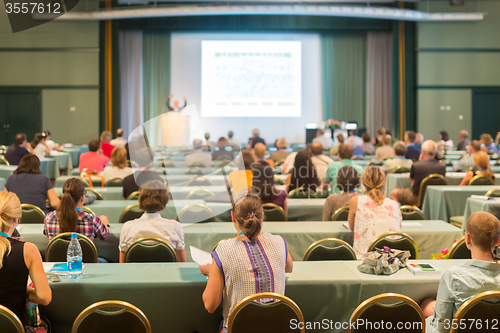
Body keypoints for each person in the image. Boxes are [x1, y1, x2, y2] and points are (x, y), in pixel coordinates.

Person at [199, 193, 293, 333]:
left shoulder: (224, 250)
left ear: (233, 217)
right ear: (262, 216)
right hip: (276, 328)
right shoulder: (279, 242)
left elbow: (210, 305)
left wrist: (214, 270)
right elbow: (289, 267)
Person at [422, 211, 500, 333]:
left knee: (426, 305)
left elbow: (441, 328)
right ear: (498, 241)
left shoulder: (453, 277)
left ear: (467, 239)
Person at [0, 191, 52, 333]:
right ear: (17, 220)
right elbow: (44, 297)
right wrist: (21, 290)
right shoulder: (28, 250)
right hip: (15, 327)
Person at [119, 180, 186, 263]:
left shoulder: (127, 227)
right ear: (165, 201)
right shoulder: (175, 227)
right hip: (167, 274)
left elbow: (123, 264)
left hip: (135, 274)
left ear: (140, 199)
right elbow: (181, 263)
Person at [348, 166, 402, 258]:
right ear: (384, 183)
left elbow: (352, 227)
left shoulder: (356, 201)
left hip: (364, 258)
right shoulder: (394, 204)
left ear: (363, 183)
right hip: (391, 260)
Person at [44, 178, 109, 241]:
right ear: (82, 198)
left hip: (58, 252)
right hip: (83, 252)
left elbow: (47, 233)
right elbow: (104, 236)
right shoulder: (92, 220)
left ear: (63, 196)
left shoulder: (49, 218)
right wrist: (104, 222)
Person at [392, 140, 446, 206]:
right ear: (435, 153)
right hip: (435, 198)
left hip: (417, 197)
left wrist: (420, 161)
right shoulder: (442, 166)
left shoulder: (416, 165)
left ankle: (400, 214)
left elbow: (412, 182)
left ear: (422, 152)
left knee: (394, 192)